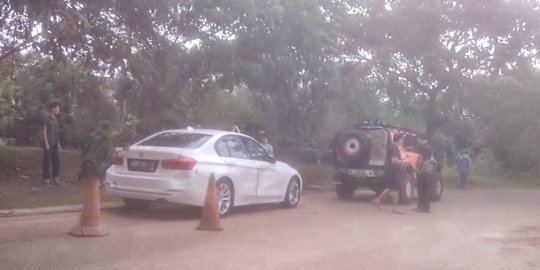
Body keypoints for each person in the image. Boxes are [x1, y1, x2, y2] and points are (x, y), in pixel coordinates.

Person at [372, 133, 410, 214]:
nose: (402, 141)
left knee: (390, 188)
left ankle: (378, 200)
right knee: (396, 190)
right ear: (399, 139)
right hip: (393, 172)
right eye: (402, 139)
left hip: (390, 171)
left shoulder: (391, 147)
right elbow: (394, 161)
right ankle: (395, 208)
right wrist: (404, 162)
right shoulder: (394, 148)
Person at [42, 101, 63, 186]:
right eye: (57, 108)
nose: (59, 110)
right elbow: (44, 131)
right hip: (48, 143)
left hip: (55, 143)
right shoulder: (46, 118)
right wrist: (46, 143)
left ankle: (56, 178)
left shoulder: (55, 119)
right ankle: (46, 179)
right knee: (47, 162)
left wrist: (58, 143)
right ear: (52, 109)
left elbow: (56, 132)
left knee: (56, 161)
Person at [414, 144, 437, 213]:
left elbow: (422, 166)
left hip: (425, 175)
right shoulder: (428, 158)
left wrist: (418, 171)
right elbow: (417, 164)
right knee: (423, 191)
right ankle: (422, 207)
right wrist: (418, 171)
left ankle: (424, 207)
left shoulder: (429, 159)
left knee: (424, 191)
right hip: (425, 175)